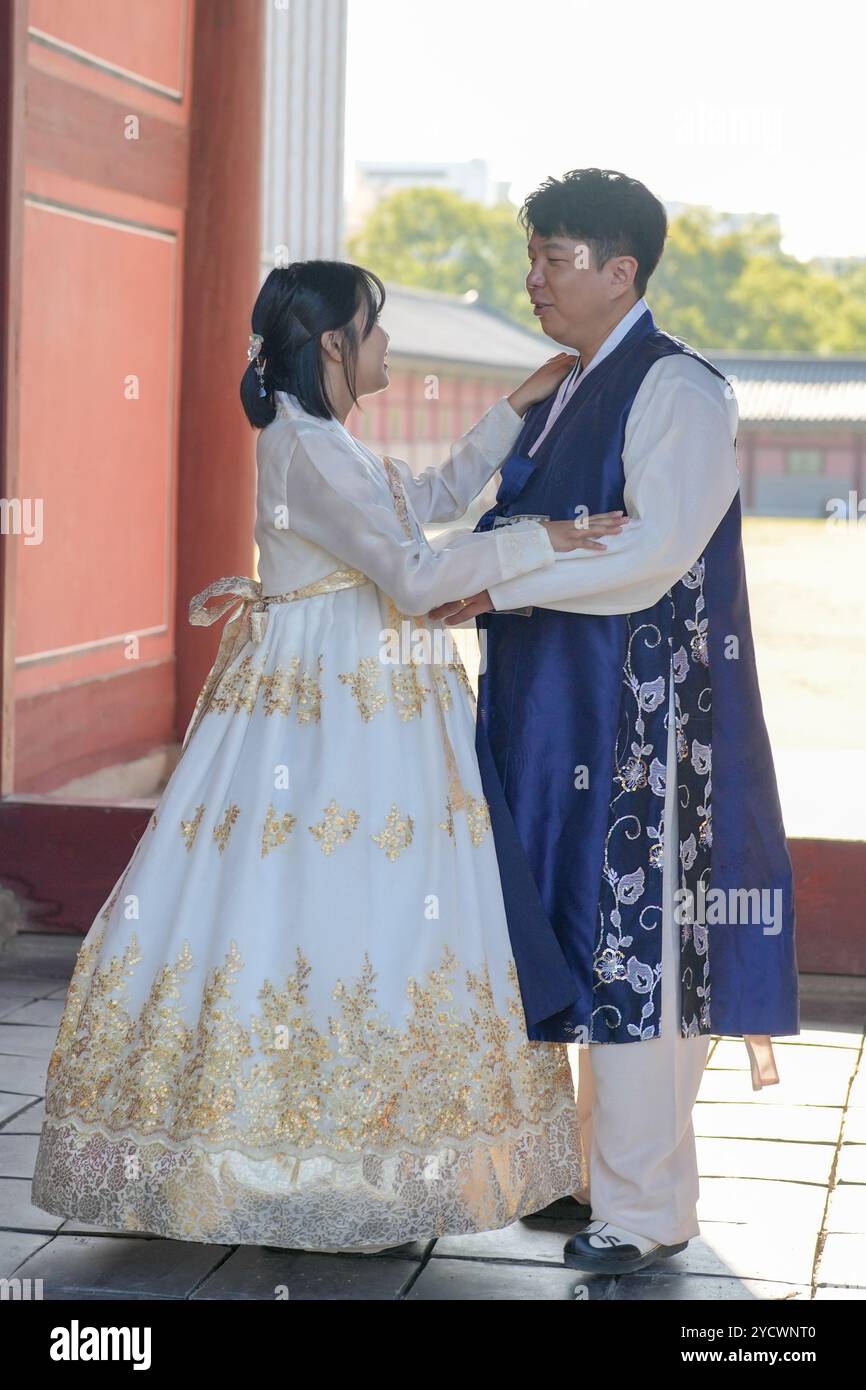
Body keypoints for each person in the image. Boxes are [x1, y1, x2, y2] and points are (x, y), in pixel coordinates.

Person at [30, 259, 621, 1253]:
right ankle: (298, 1162)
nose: (386, 346)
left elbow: (420, 496)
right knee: (329, 905)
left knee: (342, 905)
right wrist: (546, 541)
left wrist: (513, 411)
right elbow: (416, 572)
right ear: (334, 349)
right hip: (331, 712)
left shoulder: (325, 445)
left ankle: (343, 1154)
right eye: (373, 330)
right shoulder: (304, 451)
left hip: (357, 694)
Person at [432, 169, 800, 1275]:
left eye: (552, 258)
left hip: (648, 725)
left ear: (618, 270)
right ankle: (593, 1174)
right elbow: (560, 526)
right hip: (557, 711)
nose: (532, 278)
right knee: (581, 935)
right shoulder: (566, 386)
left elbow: (646, 547)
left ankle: (646, 1208)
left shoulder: (676, 388)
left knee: (646, 943)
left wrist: (502, 583)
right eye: (533, 255)